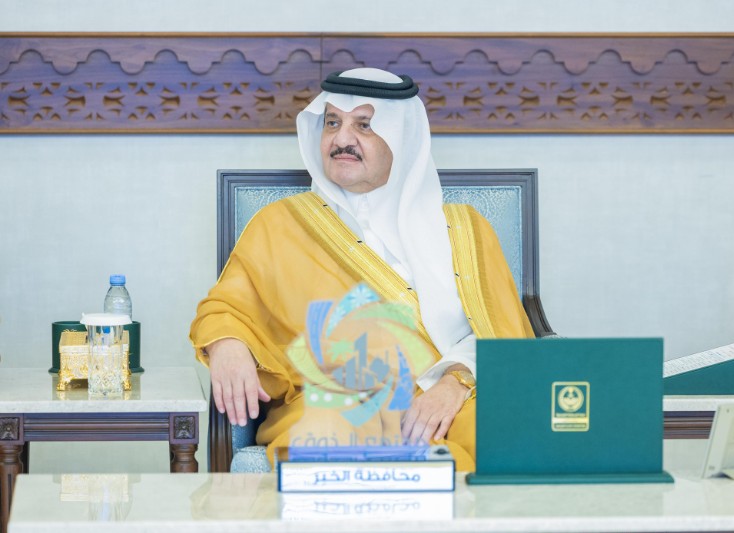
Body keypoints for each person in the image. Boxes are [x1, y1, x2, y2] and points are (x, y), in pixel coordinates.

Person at [189, 67, 534, 471]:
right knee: (339, 436)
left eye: (364, 125)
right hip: (336, 406)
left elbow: (503, 333)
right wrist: (227, 344)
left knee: (510, 438)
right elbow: (226, 308)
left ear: (401, 139)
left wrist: (455, 383)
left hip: (451, 400)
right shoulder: (280, 225)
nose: (341, 139)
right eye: (332, 123)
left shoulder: (466, 230)